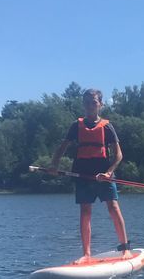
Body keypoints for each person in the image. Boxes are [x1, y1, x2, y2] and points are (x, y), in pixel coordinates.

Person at [50, 88, 131, 263]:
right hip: (83, 174)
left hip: (104, 175)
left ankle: (125, 248)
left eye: (93, 102)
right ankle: (86, 254)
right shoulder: (76, 126)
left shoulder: (107, 127)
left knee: (113, 207)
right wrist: (54, 165)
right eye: (86, 102)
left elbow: (118, 155)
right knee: (85, 211)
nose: (89, 106)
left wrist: (109, 172)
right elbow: (62, 148)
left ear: (100, 104)